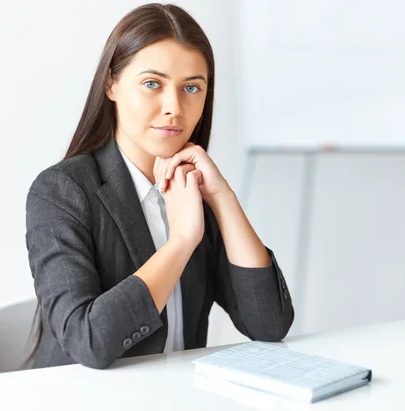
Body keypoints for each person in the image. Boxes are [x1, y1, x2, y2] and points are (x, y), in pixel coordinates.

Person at [25, 2, 294, 370]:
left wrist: (222, 199)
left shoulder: (194, 189)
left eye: (192, 87)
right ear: (111, 83)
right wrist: (182, 241)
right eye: (153, 83)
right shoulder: (61, 191)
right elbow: (86, 341)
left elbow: (269, 324)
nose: (174, 107)